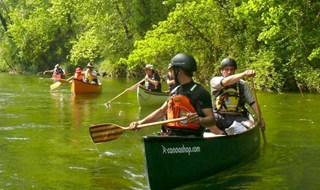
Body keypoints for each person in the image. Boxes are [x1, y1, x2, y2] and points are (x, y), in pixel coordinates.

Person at [129, 53, 216, 137]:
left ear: (179, 71)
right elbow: (161, 111)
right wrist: (140, 123)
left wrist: (199, 120)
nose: (170, 74)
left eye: (172, 70)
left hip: (191, 138)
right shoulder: (175, 91)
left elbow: (211, 120)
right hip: (171, 135)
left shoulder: (200, 92)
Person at [209, 58, 265, 133]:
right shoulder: (215, 81)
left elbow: (253, 103)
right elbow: (225, 82)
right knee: (205, 121)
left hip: (237, 117)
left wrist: (260, 118)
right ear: (221, 71)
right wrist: (244, 74)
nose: (229, 72)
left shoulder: (243, 85)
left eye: (232, 69)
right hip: (218, 115)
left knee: (251, 125)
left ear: (235, 71)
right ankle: (219, 133)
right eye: (226, 69)